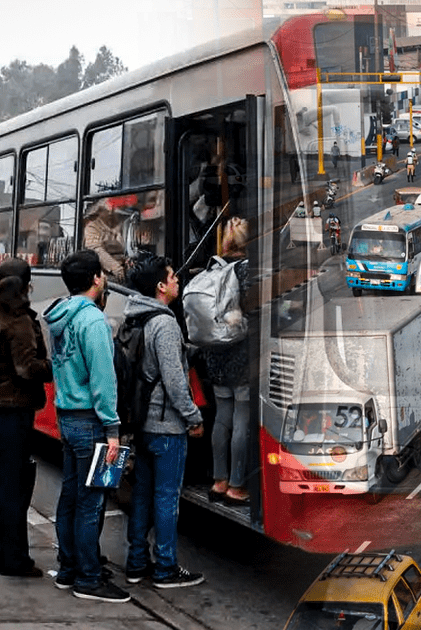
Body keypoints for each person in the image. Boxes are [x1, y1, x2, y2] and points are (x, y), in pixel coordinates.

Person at [42, 250, 130, 603]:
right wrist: (113, 430)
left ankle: (68, 568)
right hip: (91, 421)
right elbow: (103, 381)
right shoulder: (93, 321)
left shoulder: (61, 316)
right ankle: (89, 578)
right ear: (96, 279)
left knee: (71, 497)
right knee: (91, 503)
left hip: (67, 417)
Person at [124, 252, 206, 589]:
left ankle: (136, 562)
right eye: (172, 277)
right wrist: (193, 416)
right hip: (167, 426)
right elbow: (174, 381)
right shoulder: (165, 323)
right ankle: (166, 568)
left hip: (142, 422)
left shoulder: (135, 317)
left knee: (141, 496)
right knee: (166, 498)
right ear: (160, 286)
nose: (176, 281)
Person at [0, 258, 53, 578]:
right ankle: (12, 558)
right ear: (27, 285)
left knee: (1, 480)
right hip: (10, 409)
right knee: (12, 486)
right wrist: (56, 364)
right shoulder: (19, 320)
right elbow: (27, 368)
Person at [204, 220, 250, 505]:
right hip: (240, 354)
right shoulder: (245, 270)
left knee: (222, 418)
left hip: (214, 354)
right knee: (242, 418)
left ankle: (219, 482)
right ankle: (236, 486)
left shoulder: (213, 268)